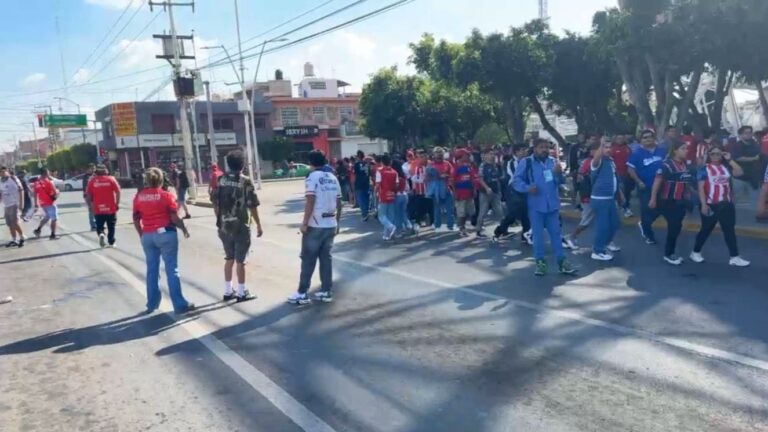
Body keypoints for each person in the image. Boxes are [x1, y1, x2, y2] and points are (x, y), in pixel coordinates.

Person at [133, 167, 194, 314]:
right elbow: (174, 217)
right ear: (161, 180)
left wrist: (142, 234)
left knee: (152, 270)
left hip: (148, 235)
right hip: (166, 234)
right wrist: (184, 229)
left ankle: (152, 303)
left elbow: (135, 219)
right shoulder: (166, 196)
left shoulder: (139, 197)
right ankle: (179, 304)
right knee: (171, 269)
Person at [513, 138, 577, 276]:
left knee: (556, 235)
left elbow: (559, 181)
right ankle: (540, 262)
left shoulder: (552, 162)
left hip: (552, 206)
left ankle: (562, 262)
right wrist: (527, 188)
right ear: (535, 148)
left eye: (547, 147)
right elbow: (516, 181)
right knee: (538, 236)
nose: (545, 150)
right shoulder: (527, 162)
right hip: (536, 206)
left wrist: (559, 173)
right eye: (542, 147)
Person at [288, 151, 342, 305]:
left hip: (315, 224)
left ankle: (302, 293)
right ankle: (326, 291)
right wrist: (337, 222)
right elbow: (339, 203)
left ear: (311, 163)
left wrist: (304, 223)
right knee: (326, 259)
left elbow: (310, 200)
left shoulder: (312, 178)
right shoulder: (333, 178)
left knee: (308, 259)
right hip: (330, 223)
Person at [212, 150, 263, 302]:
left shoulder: (220, 179)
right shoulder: (245, 181)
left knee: (229, 258)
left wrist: (220, 220)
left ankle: (228, 291)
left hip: (224, 226)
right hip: (240, 226)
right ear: (242, 165)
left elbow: (215, 202)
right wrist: (259, 224)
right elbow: (252, 205)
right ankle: (241, 292)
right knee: (241, 261)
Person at [690, 147, 750, 267]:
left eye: (718, 154)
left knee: (729, 231)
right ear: (709, 155)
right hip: (711, 205)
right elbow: (701, 188)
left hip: (726, 204)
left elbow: (740, 172)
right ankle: (695, 252)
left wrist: (730, 159)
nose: (716, 156)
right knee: (706, 229)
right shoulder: (704, 169)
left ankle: (734, 256)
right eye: (713, 154)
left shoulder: (726, 167)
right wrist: (703, 204)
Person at [648, 141, 696, 265]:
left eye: (686, 148)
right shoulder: (666, 165)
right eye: (683, 148)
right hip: (668, 200)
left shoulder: (684, 165)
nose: (686, 151)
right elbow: (657, 182)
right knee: (674, 227)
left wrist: (692, 193)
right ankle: (669, 254)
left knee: (677, 226)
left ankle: (670, 252)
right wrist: (653, 198)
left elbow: (686, 182)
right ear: (675, 150)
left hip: (681, 200)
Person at [628, 129, 666, 245]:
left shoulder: (661, 151)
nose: (648, 139)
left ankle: (644, 224)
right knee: (647, 210)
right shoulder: (637, 154)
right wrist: (638, 181)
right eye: (645, 137)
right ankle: (649, 235)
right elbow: (630, 169)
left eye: (650, 136)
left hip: (662, 186)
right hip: (645, 187)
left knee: (662, 208)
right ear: (641, 140)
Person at [589, 140, 622, 261]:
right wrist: (601, 144)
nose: (608, 149)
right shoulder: (597, 162)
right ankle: (597, 250)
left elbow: (615, 179)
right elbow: (597, 158)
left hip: (610, 199)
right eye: (604, 147)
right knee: (602, 226)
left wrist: (619, 195)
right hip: (600, 199)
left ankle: (605, 243)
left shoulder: (610, 161)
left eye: (609, 147)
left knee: (615, 223)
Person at [493, 144, 531, 245]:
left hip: (525, 190)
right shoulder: (511, 163)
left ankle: (525, 235)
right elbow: (515, 177)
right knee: (513, 214)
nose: (524, 152)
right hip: (513, 191)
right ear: (516, 152)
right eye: (522, 150)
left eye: (525, 150)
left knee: (526, 213)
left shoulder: (528, 162)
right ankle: (500, 230)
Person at [85, 164, 121, 248]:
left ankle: (101, 233)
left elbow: (88, 195)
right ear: (105, 171)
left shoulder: (92, 180)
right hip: (110, 208)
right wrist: (117, 203)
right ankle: (111, 242)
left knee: (99, 224)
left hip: (98, 208)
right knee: (111, 226)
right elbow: (118, 191)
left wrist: (90, 205)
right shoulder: (111, 179)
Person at [476, 150, 504, 238]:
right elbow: (480, 179)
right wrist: (487, 188)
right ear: (486, 155)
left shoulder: (496, 165)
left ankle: (503, 229)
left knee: (500, 212)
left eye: (493, 154)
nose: (492, 156)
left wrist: (499, 191)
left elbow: (499, 178)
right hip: (485, 192)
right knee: (483, 212)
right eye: (490, 154)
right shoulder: (482, 165)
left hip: (495, 192)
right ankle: (478, 230)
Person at [426, 147, 455, 232]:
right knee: (437, 208)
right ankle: (437, 225)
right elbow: (427, 177)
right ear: (433, 155)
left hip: (446, 188)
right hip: (436, 190)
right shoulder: (430, 165)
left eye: (440, 153)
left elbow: (452, 174)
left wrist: (448, 178)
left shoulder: (447, 163)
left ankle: (450, 225)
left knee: (449, 209)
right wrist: (437, 176)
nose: (439, 154)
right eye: (437, 153)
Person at [453, 149, 477, 237]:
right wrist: (455, 193)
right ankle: (461, 228)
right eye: (466, 155)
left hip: (469, 193)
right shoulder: (456, 167)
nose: (468, 157)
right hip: (460, 193)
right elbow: (452, 181)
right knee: (461, 212)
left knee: (469, 211)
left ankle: (465, 226)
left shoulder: (469, 166)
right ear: (461, 156)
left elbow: (472, 178)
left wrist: (474, 189)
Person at [731, 125, 762, 193]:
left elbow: (760, 155)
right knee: (741, 202)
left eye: (750, 132)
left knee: (755, 200)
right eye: (746, 133)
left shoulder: (755, 144)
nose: (749, 134)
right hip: (740, 179)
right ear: (740, 135)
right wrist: (754, 158)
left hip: (754, 177)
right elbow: (738, 158)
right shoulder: (736, 145)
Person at [375, 154, 399, 240]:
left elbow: (377, 185)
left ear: (382, 162)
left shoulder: (379, 171)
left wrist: (375, 193)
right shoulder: (394, 172)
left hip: (383, 195)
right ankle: (386, 234)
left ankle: (391, 227)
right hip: (392, 195)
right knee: (390, 216)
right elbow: (397, 185)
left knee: (381, 216)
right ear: (390, 162)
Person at [33, 168, 60, 240]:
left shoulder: (36, 183)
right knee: (54, 219)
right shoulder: (49, 182)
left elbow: (35, 194)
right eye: (48, 172)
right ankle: (53, 235)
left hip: (42, 203)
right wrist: (58, 191)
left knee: (47, 217)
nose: (49, 174)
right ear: (46, 173)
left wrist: (36, 203)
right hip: (50, 203)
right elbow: (55, 192)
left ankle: (38, 230)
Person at [0, 167, 25, 247]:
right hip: (6, 205)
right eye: (1, 172)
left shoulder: (13, 179)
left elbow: (21, 190)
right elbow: (1, 193)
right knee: (10, 224)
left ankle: (22, 237)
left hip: (14, 203)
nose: (2, 173)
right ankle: (14, 240)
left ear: (7, 171)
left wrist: (21, 204)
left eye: (3, 171)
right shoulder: (1, 181)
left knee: (14, 222)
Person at [611, 134, 634, 217]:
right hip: (617, 174)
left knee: (627, 191)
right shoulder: (612, 149)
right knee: (621, 191)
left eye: (622, 138)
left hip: (628, 173)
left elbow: (632, 159)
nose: (620, 140)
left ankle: (626, 206)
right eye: (618, 138)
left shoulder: (628, 149)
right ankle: (624, 208)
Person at [392, 161, 414, 236]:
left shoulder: (395, 177)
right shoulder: (403, 177)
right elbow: (407, 187)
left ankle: (399, 229)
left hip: (397, 196)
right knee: (403, 212)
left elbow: (394, 188)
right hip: (404, 195)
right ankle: (409, 226)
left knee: (397, 214)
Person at [353, 150, 371, 221]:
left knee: (361, 200)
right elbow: (369, 174)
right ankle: (366, 212)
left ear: (358, 156)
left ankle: (364, 214)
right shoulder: (367, 164)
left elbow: (355, 175)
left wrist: (353, 183)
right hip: (366, 183)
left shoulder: (357, 164)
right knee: (366, 199)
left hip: (359, 184)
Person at [82, 164, 97, 231]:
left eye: (94, 168)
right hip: (88, 195)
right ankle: (93, 225)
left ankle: (98, 224)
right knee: (91, 210)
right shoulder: (86, 177)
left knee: (97, 210)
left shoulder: (94, 176)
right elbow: (86, 188)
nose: (93, 170)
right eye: (92, 168)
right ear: (88, 169)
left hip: (96, 195)